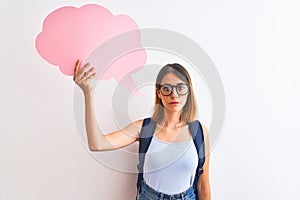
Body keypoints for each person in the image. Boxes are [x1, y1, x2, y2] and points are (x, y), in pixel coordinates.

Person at [73, 59, 211, 200]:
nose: (174, 95)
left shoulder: (200, 132)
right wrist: (88, 93)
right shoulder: (144, 128)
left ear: (188, 91)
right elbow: (96, 144)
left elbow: (203, 185)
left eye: (180, 88)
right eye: (167, 88)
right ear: (158, 93)